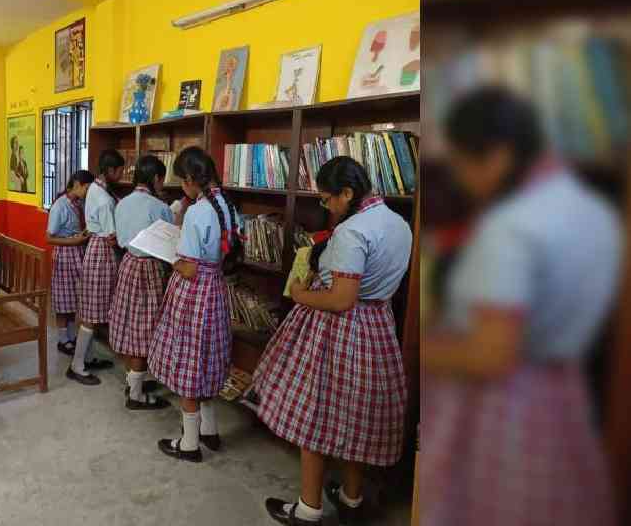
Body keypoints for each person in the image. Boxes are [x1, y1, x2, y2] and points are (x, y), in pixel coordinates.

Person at [421, 88, 621, 526]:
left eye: (461, 163)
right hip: (565, 398)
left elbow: (490, 354)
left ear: (497, 156)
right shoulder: (597, 212)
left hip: (503, 411)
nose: (459, 178)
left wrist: (424, 350)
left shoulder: (509, 228)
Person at [258, 156, 412, 526]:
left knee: (316, 416)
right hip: (377, 327)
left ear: (347, 192)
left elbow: (341, 299)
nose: (325, 206)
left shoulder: (352, 231)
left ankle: (308, 509)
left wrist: (299, 293)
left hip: (338, 331)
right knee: (356, 418)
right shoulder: (400, 224)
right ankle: (350, 498)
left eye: (328, 199)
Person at [148, 146, 239, 462]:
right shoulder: (225, 204)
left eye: (182, 182)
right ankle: (210, 430)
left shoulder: (198, 211)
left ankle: (188, 443)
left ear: (190, 179)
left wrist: (169, 253)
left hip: (193, 293)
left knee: (189, 364)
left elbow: (188, 267)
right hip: (215, 288)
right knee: (208, 361)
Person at [109, 155, 174, 410]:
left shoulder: (121, 203)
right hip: (149, 269)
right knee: (144, 329)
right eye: (162, 178)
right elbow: (169, 242)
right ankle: (135, 395)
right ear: (156, 178)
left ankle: (133, 381)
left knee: (129, 326)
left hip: (127, 264)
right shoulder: (160, 207)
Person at [67, 150, 125, 385]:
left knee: (92, 310)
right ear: (110, 171)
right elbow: (112, 237)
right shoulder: (103, 198)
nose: (122, 174)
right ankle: (77, 366)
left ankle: (87, 358)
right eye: (120, 171)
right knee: (91, 314)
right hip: (102, 252)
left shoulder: (95, 190)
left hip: (94, 249)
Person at [46, 170, 94, 356]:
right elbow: (49, 237)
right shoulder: (60, 206)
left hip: (78, 252)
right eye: (86, 188)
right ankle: (62, 339)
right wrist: (74, 241)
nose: (88, 192)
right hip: (65, 254)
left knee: (74, 298)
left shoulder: (78, 203)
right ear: (76, 184)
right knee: (63, 299)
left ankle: (71, 336)